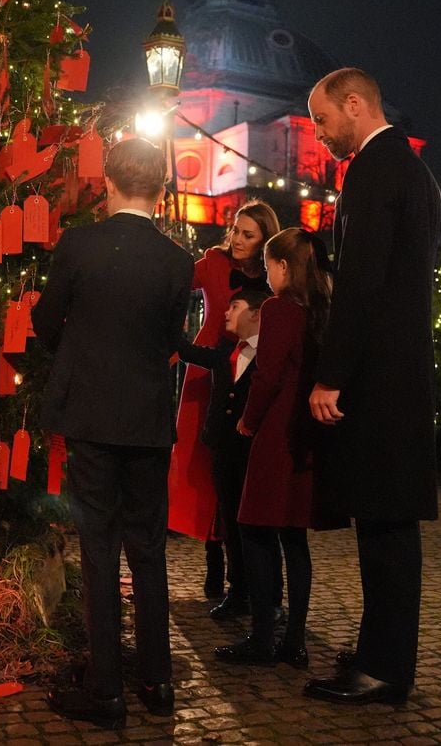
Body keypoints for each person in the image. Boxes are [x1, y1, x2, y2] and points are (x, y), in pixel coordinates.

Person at [32, 138, 194, 730]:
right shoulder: (178, 260)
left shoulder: (81, 244)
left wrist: (75, 351)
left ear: (108, 180)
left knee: (98, 548)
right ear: (161, 186)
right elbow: (168, 338)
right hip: (148, 420)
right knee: (148, 549)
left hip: (92, 416)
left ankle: (105, 688)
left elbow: (48, 319)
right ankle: (157, 679)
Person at [304, 68, 441, 704]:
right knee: (386, 526)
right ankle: (379, 654)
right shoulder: (410, 169)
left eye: (323, 119)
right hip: (401, 369)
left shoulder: (373, 170)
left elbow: (358, 285)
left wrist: (331, 376)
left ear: (354, 104)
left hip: (380, 379)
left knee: (384, 528)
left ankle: (385, 667)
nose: (319, 133)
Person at [215, 227, 343, 668]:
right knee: (294, 538)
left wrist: (248, 422)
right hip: (307, 433)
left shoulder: (279, 308)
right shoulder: (321, 309)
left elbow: (267, 375)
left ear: (283, 266)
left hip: (275, 433)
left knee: (255, 530)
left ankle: (263, 637)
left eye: (269, 266)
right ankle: (295, 640)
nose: (266, 276)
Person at [168, 199, 281, 604]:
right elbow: (174, 280)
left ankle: (245, 575)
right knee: (203, 463)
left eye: (247, 235)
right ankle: (213, 559)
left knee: (240, 471)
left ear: (265, 240)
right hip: (207, 369)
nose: (235, 239)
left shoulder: (273, 276)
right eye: (234, 230)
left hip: (250, 373)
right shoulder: (214, 262)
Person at [177, 289, 283, 623]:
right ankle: (237, 591)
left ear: (256, 313)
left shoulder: (270, 354)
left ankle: (269, 598)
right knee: (231, 525)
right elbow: (189, 351)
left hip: (253, 453)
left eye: (234, 307)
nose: (225, 313)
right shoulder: (226, 351)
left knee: (259, 528)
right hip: (223, 449)